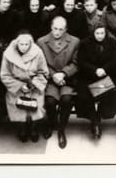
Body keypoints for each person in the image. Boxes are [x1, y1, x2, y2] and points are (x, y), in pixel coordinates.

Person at [37, 16, 79, 149]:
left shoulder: (74, 41)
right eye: (55, 28)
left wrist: (64, 73)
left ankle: (61, 130)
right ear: (51, 27)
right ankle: (52, 123)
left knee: (66, 100)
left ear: (66, 29)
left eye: (61, 29)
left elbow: (76, 63)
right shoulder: (41, 41)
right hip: (50, 77)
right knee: (50, 101)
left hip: (67, 78)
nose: (57, 32)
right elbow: (40, 63)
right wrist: (54, 75)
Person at [0, 32, 49, 143]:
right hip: (16, 86)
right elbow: (4, 74)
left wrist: (32, 84)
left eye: (26, 44)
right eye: (21, 44)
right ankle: (21, 128)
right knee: (17, 106)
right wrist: (20, 86)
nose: (24, 47)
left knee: (37, 106)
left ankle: (33, 128)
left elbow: (44, 72)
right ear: (17, 43)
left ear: (30, 44)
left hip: (34, 85)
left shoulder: (38, 53)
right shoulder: (8, 54)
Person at [75, 23, 116, 139]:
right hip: (89, 75)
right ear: (93, 33)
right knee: (85, 94)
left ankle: (98, 118)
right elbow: (81, 61)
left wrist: (104, 69)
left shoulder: (111, 42)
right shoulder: (85, 43)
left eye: (102, 33)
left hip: (106, 75)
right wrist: (95, 70)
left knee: (109, 92)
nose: (100, 36)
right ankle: (94, 121)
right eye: (97, 33)